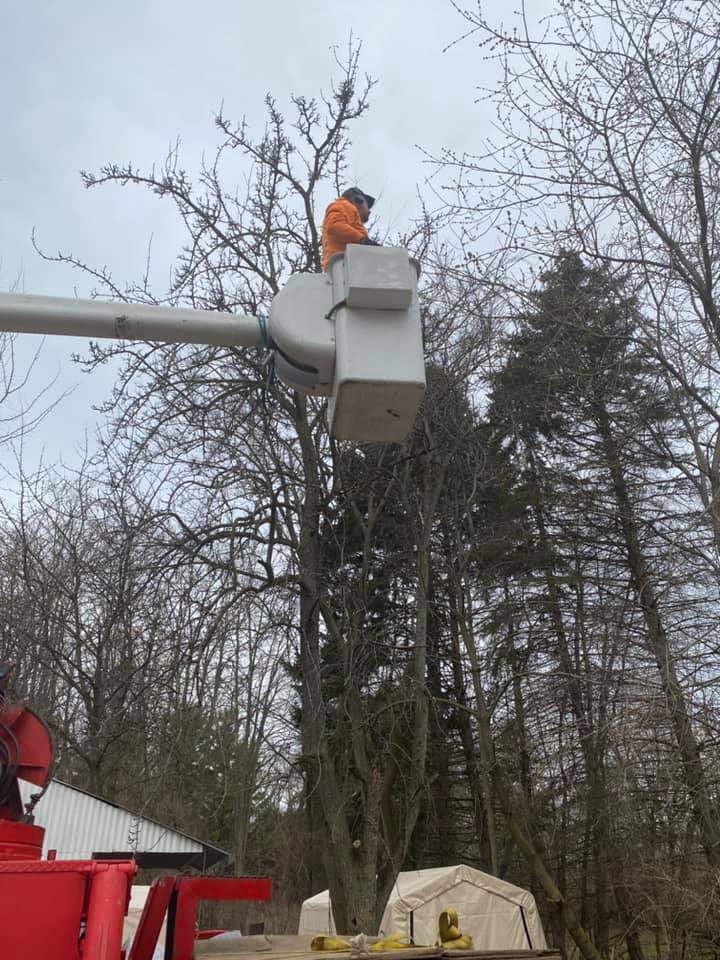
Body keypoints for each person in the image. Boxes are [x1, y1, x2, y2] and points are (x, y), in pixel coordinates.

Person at [321, 187, 380, 270]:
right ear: (359, 200)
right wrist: (362, 240)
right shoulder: (345, 205)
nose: (369, 211)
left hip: (345, 266)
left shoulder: (347, 211)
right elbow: (334, 226)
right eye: (368, 206)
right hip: (344, 266)